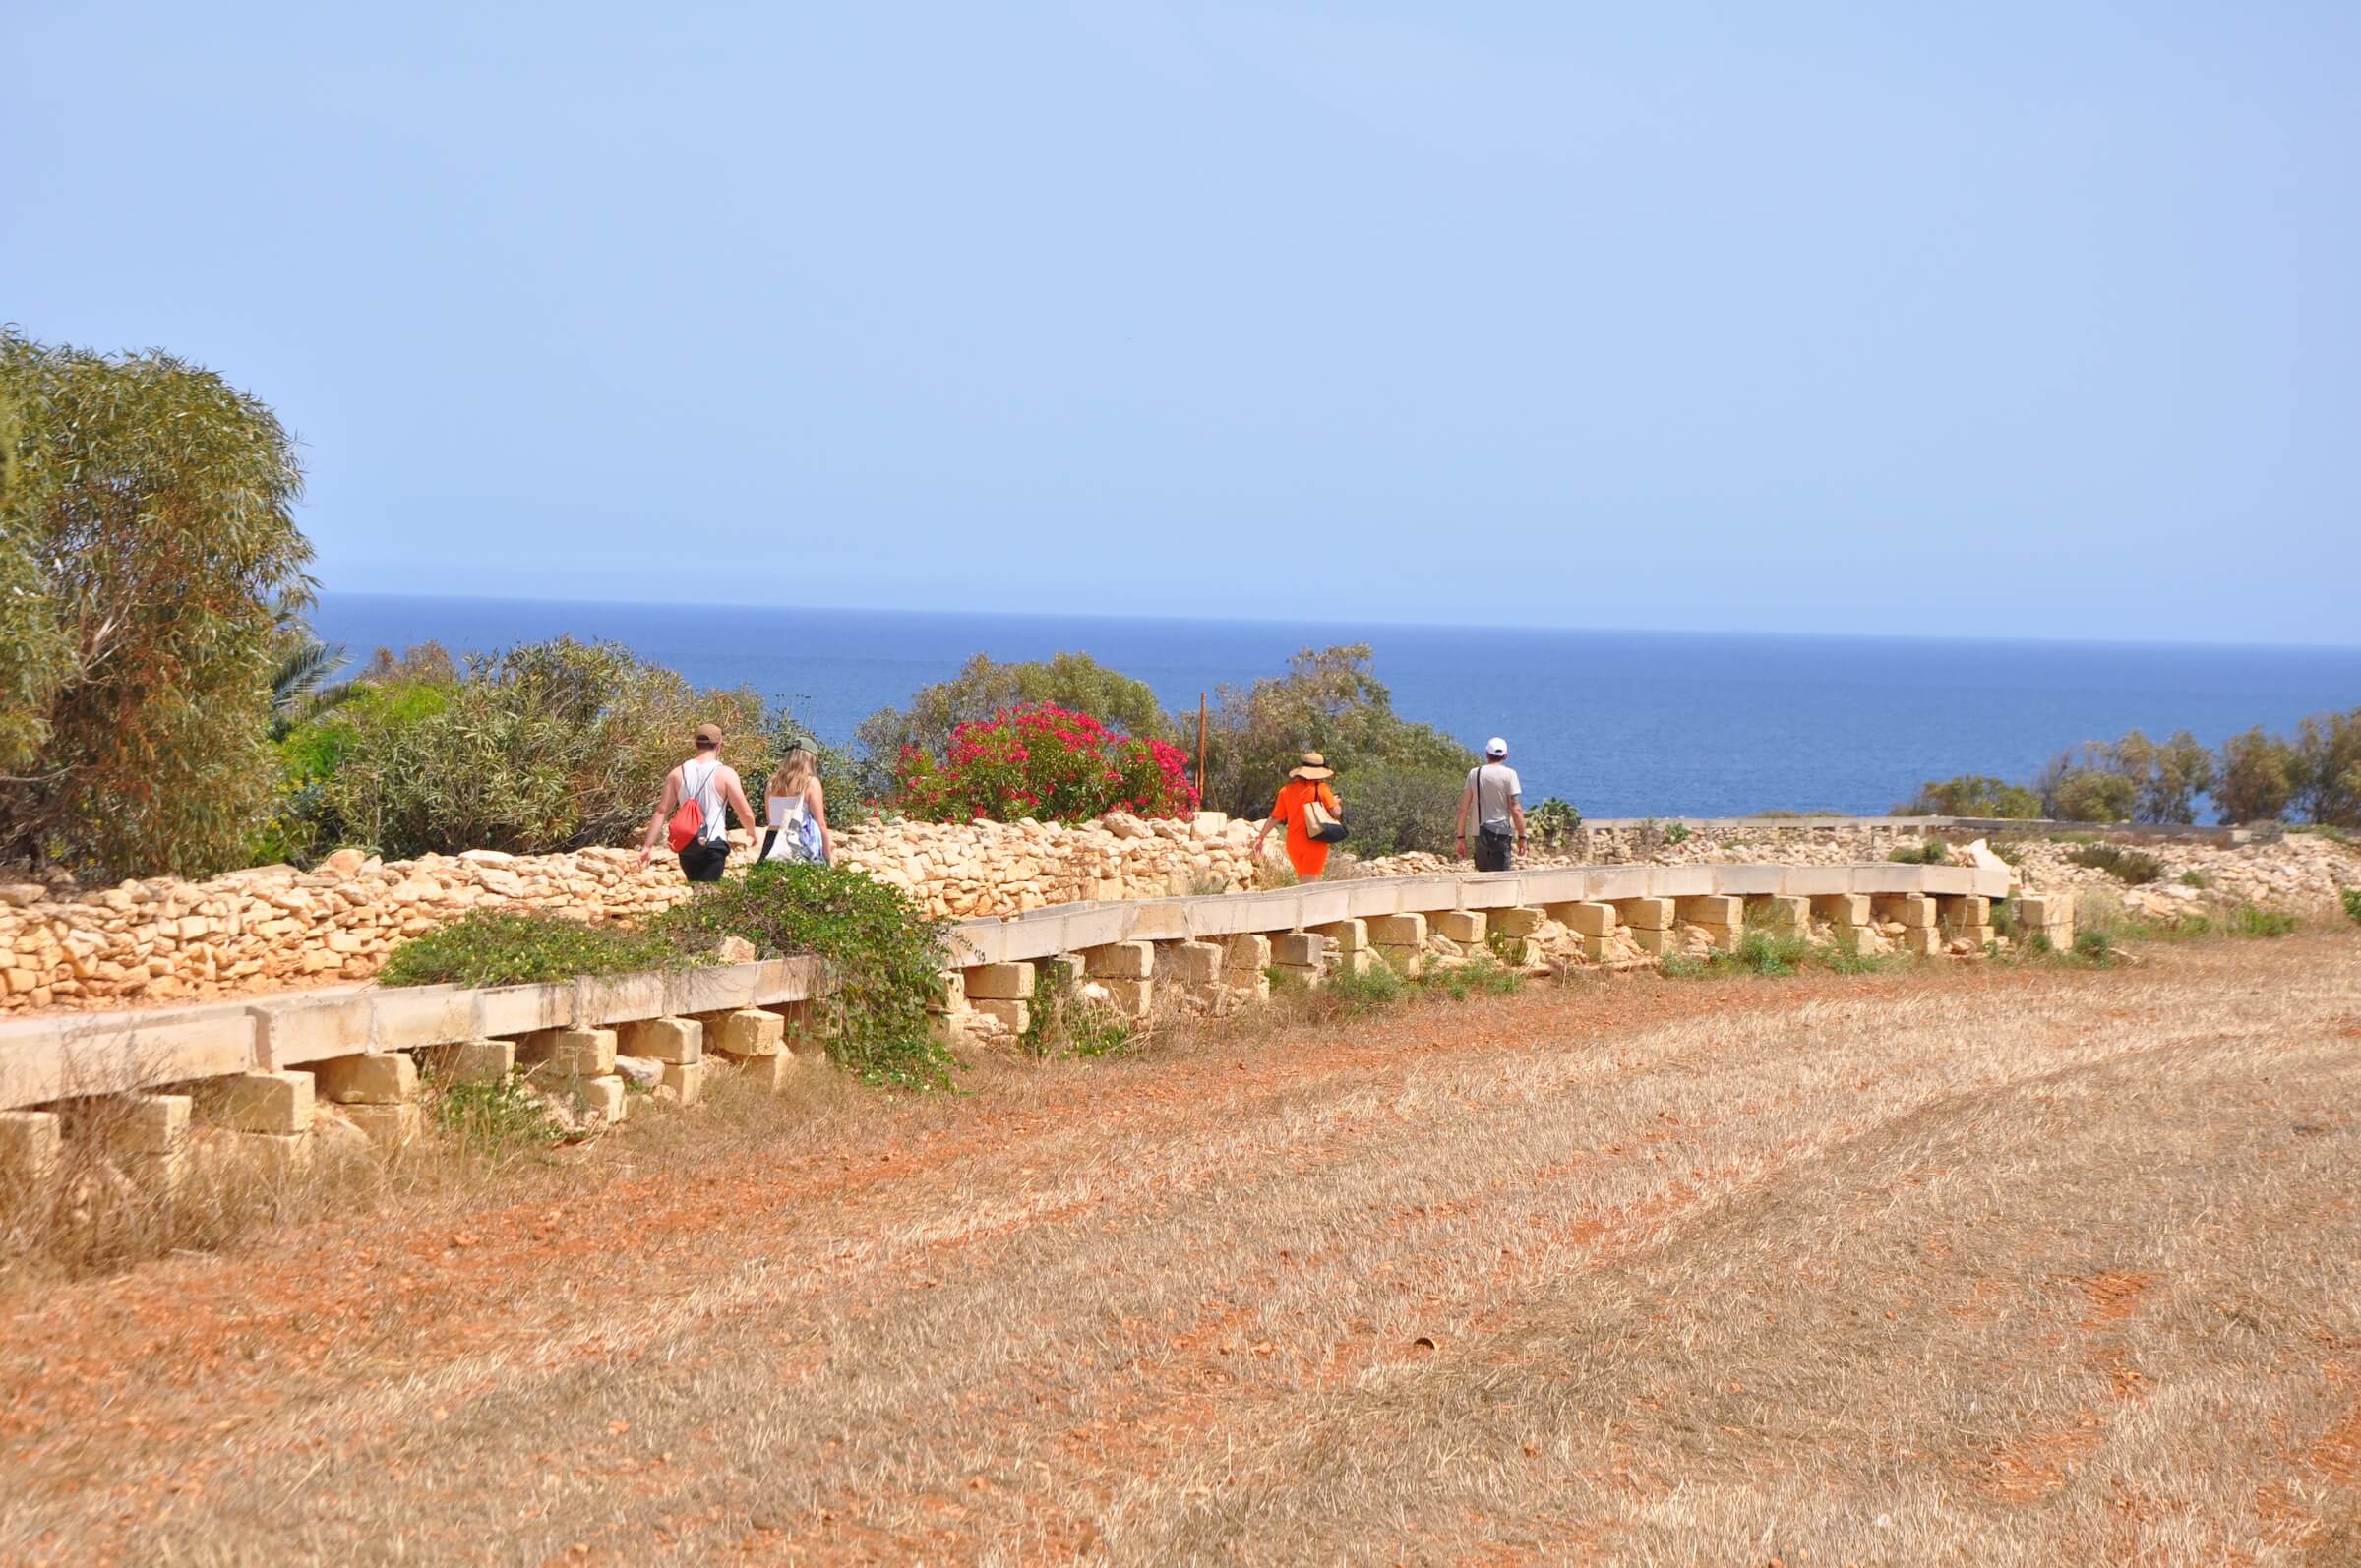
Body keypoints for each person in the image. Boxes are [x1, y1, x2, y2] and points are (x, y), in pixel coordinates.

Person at [637, 722, 760, 882]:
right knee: (707, 897)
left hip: (687, 845)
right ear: (720, 745)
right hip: (713, 843)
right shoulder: (726, 774)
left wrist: (647, 846)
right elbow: (745, 812)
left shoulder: (676, 773)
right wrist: (751, 831)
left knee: (696, 890)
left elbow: (661, 811)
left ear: (696, 744)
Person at [1250, 752, 1343, 882]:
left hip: (1293, 844)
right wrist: (1336, 802)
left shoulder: (1286, 790)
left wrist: (1261, 837)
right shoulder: (1322, 789)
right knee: (1309, 889)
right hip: (1314, 842)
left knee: (1303, 882)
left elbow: (1275, 817)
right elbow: (1336, 813)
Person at [1456, 736, 1526, 872]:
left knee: (1484, 879)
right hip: (1501, 834)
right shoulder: (1510, 775)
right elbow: (1515, 809)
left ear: (1487, 754)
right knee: (1501, 880)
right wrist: (1522, 837)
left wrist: (1461, 838)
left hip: (1480, 834)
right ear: (1505, 756)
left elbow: (1463, 809)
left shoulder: (1474, 774)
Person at [758, 745, 833, 865]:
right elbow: (821, 824)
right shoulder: (810, 783)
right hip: (796, 839)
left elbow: (770, 819)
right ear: (810, 759)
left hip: (772, 839)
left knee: (766, 879)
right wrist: (828, 859)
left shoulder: (772, 781)